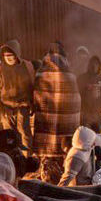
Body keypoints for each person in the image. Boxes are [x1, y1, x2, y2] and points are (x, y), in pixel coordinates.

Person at [33, 53, 80, 182]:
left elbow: (36, 96)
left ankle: (46, 178)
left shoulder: (41, 74)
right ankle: (63, 180)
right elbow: (75, 101)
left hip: (46, 126)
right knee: (64, 159)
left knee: (46, 161)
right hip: (65, 129)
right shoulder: (70, 75)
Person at [0, 40, 34, 153]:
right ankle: (12, 159)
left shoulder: (26, 66)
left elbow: (32, 86)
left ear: (17, 54)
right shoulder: (1, 69)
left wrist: (32, 103)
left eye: (11, 55)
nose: (8, 58)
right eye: (6, 56)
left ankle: (27, 159)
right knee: (9, 136)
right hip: (6, 107)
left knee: (24, 133)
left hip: (23, 106)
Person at [77, 55, 101, 133]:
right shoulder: (82, 78)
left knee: (97, 134)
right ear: (89, 65)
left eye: (96, 64)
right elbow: (77, 95)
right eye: (93, 64)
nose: (94, 66)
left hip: (97, 113)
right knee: (86, 135)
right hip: (85, 113)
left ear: (99, 66)